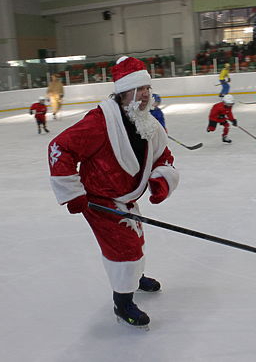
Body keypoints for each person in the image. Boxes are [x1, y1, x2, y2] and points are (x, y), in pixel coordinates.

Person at [47, 56, 179, 329]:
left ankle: (134, 277)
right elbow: (59, 148)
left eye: (147, 88)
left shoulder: (147, 122)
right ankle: (123, 303)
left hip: (126, 197)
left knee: (136, 240)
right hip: (98, 200)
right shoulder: (99, 122)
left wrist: (160, 179)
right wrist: (73, 193)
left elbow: (163, 156)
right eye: (138, 89)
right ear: (123, 92)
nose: (145, 95)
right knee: (124, 249)